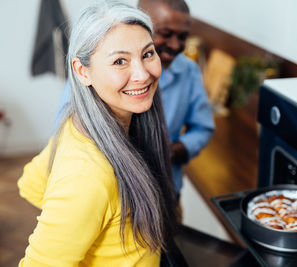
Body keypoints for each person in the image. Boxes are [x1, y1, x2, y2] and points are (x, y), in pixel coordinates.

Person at [17, 1, 177, 266]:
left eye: (148, 54)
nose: (142, 73)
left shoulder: (76, 121)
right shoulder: (87, 176)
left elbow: (30, 183)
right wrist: (75, 208)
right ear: (82, 71)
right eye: (119, 61)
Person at [54, 0, 215, 197]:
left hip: (167, 191)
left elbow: (203, 127)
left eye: (182, 37)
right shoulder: (86, 174)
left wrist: (172, 152)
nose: (175, 45)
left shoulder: (188, 71)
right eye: (165, 34)